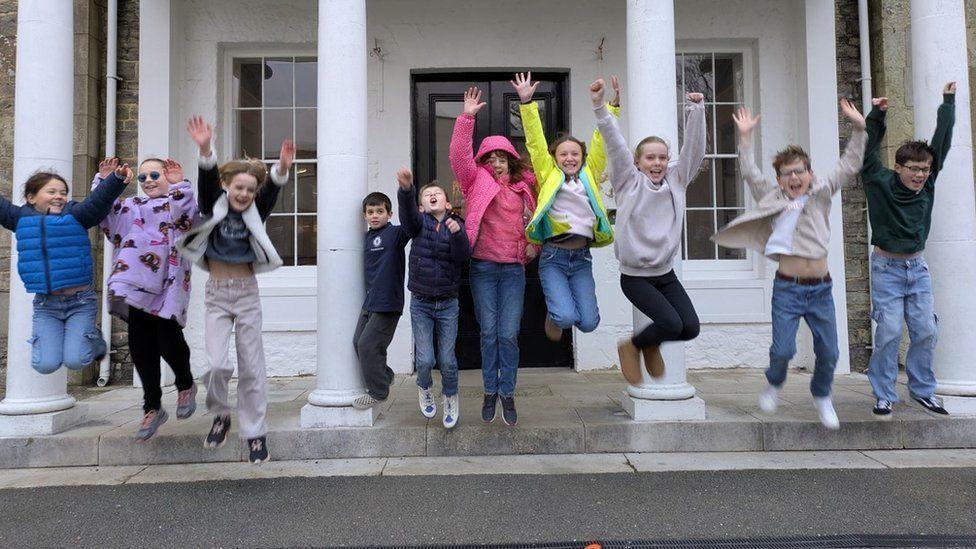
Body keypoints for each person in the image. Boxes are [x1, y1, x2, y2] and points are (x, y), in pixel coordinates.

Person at [711, 99, 866, 429]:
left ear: (811, 174)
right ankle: (774, 382)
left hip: (821, 290)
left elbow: (849, 164)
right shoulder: (772, 197)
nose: (795, 177)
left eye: (800, 171)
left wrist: (858, 127)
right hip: (788, 288)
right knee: (782, 350)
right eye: (787, 174)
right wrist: (745, 138)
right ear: (780, 180)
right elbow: (750, 172)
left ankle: (821, 395)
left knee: (830, 353)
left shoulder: (822, 193)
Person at [177, 116, 294, 464]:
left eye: (249, 190)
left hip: (246, 293)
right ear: (227, 186)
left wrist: (281, 169)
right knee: (215, 365)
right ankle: (221, 414)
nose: (243, 194)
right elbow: (207, 180)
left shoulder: (256, 210)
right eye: (238, 187)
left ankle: (255, 434)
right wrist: (204, 149)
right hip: (216, 293)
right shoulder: (213, 204)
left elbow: (272, 190)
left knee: (252, 367)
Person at [590, 76, 706, 384]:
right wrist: (601, 106)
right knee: (669, 321)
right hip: (635, 277)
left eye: (662, 157)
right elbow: (614, 144)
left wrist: (697, 112)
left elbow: (694, 151)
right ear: (638, 162)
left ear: (669, 161)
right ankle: (631, 347)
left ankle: (649, 343)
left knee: (689, 327)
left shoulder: (676, 182)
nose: (657, 162)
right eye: (650, 157)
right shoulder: (628, 182)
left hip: (665, 274)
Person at [862, 82, 957, 418]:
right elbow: (867, 153)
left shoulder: (928, 185)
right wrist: (878, 115)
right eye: (914, 169)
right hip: (886, 268)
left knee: (926, 329)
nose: (920, 175)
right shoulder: (879, 181)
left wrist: (948, 103)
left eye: (925, 169)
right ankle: (884, 393)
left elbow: (942, 143)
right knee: (888, 330)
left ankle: (922, 391)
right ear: (899, 167)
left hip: (917, 269)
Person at [448, 86, 539, 425]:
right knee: (488, 333)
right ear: (483, 163)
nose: (497, 162)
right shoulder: (475, 181)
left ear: (510, 161)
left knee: (508, 333)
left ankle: (507, 392)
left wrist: (537, 247)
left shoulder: (525, 185)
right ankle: (489, 390)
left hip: (514, 268)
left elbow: (540, 220)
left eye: (502, 157)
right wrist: (466, 118)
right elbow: (458, 155)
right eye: (491, 158)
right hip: (484, 266)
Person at [94, 155, 198, 441]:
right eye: (143, 177)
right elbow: (106, 219)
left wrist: (180, 186)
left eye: (155, 175)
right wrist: (105, 183)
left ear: (168, 177)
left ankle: (185, 383)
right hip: (135, 283)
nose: (149, 181)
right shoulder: (130, 207)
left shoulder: (176, 202)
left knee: (168, 339)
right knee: (141, 346)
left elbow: (188, 221)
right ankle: (152, 406)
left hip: (167, 282)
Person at [512, 71, 614, 347]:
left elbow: (602, 143)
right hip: (553, 258)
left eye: (575, 154)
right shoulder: (549, 175)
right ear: (555, 158)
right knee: (565, 318)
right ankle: (556, 314)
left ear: (582, 158)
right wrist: (527, 104)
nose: (569, 158)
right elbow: (535, 142)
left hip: (581, 259)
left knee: (590, 324)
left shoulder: (589, 174)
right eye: (563, 154)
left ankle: (560, 312)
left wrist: (610, 107)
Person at [0, 160, 129, 374]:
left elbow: (98, 202)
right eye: (51, 191)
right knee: (45, 365)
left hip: (80, 302)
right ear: (31, 197)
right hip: (46, 304)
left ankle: (93, 338)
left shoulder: (75, 215)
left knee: (76, 361)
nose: (59, 196)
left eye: (63, 192)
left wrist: (114, 180)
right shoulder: (19, 218)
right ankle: (76, 337)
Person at [395, 168, 471, 428]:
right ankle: (424, 386)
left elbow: (463, 256)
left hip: (448, 302)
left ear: (447, 202)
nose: (433, 196)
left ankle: (450, 395)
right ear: (422, 205)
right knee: (425, 359)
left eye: (437, 193)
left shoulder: (456, 224)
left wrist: (457, 233)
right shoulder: (418, 224)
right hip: (422, 303)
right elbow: (407, 216)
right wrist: (406, 191)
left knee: (448, 360)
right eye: (427, 195)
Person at [351, 190, 410, 412]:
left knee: (368, 345)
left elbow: (411, 222)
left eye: (380, 211)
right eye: (370, 212)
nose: (375, 215)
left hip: (388, 303)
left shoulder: (395, 234)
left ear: (389, 213)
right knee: (358, 342)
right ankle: (385, 375)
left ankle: (378, 392)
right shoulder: (364, 238)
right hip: (370, 301)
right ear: (364, 215)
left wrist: (405, 192)